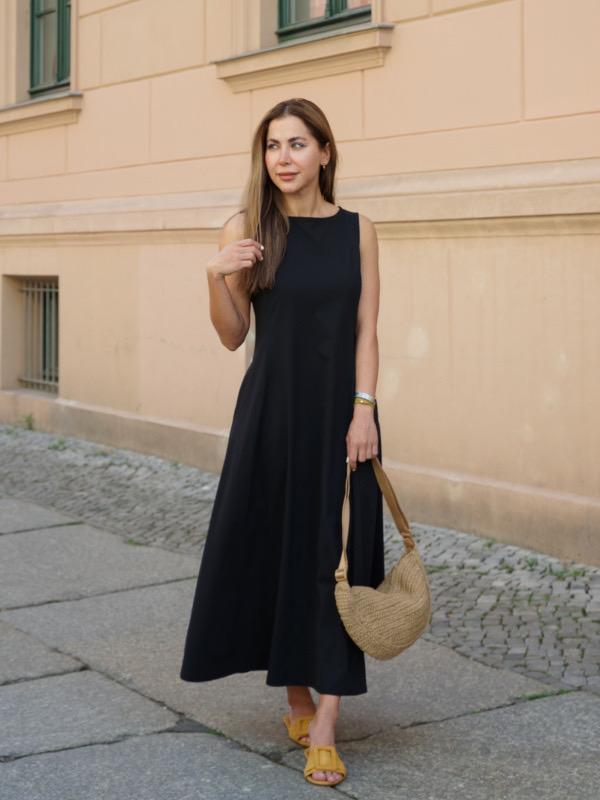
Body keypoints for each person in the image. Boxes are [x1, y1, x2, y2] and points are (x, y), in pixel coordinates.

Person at [179, 97, 385, 787]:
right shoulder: (249, 227)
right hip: (271, 414)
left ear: (325, 152)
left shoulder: (358, 230)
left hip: (342, 418)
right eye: (273, 145)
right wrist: (216, 274)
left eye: (297, 144)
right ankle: (297, 697)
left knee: (339, 558)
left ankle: (326, 722)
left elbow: (367, 330)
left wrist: (364, 410)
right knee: (280, 550)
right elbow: (233, 333)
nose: (284, 158)